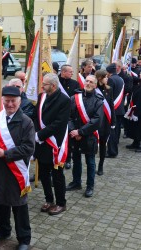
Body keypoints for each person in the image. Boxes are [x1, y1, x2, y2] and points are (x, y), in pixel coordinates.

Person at [0, 86, 35, 250]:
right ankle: (3, 230)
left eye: (13, 101)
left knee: (19, 206)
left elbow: (28, 148)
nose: (10, 104)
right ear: (3, 101)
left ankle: (24, 239)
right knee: (0, 202)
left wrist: (5, 153)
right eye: (7, 101)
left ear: (19, 101)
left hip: (16, 170)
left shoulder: (26, 122)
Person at [34, 73, 71, 215]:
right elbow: (36, 116)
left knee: (57, 175)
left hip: (55, 143)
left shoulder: (64, 100)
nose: (42, 86)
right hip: (41, 142)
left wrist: (40, 135)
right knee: (43, 173)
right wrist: (36, 132)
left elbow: (59, 123)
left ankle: (61, 203)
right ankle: (49, 199)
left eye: (45, 84)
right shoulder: (42, 96)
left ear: (53, 86)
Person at [66, 75, 103, 197]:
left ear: (95, 85)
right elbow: (69, 117)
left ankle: (90, 186)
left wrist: (80, 132)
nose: (88, 83)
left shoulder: (98, 100)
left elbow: (97, 120)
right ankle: (76, 182)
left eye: (91, 82)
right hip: (74, 134)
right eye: (86, 81)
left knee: (90, 162)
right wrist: (73, 131)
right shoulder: (74, 98)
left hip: (88, 135)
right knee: (76, 160)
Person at [58, 64, 81, 169]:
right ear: (63, 72)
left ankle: (67, 159)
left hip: (69, 115)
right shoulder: (56, 82)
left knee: (68, 139)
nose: (72, 73)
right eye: (70, 71)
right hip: (57, 114)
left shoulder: (75, 83)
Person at [95, 70, 116, 175]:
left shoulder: (109, 89)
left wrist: (113, 121)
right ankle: (92, 164)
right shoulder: (93, 90)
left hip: (106, 122)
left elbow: (111, 105)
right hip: (95, 121)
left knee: (103, 144)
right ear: (99, 78)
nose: (107, 79)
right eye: (105, 77)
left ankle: (100, 166)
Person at [105, 63, 125, 158]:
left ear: (108, 72)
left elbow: (109, 95)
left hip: (114, 109)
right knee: (116, 132)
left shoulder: (111, 80)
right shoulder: (120, 78)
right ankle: (114, 149)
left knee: (111, 132)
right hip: (120, 109)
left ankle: (112, 151)